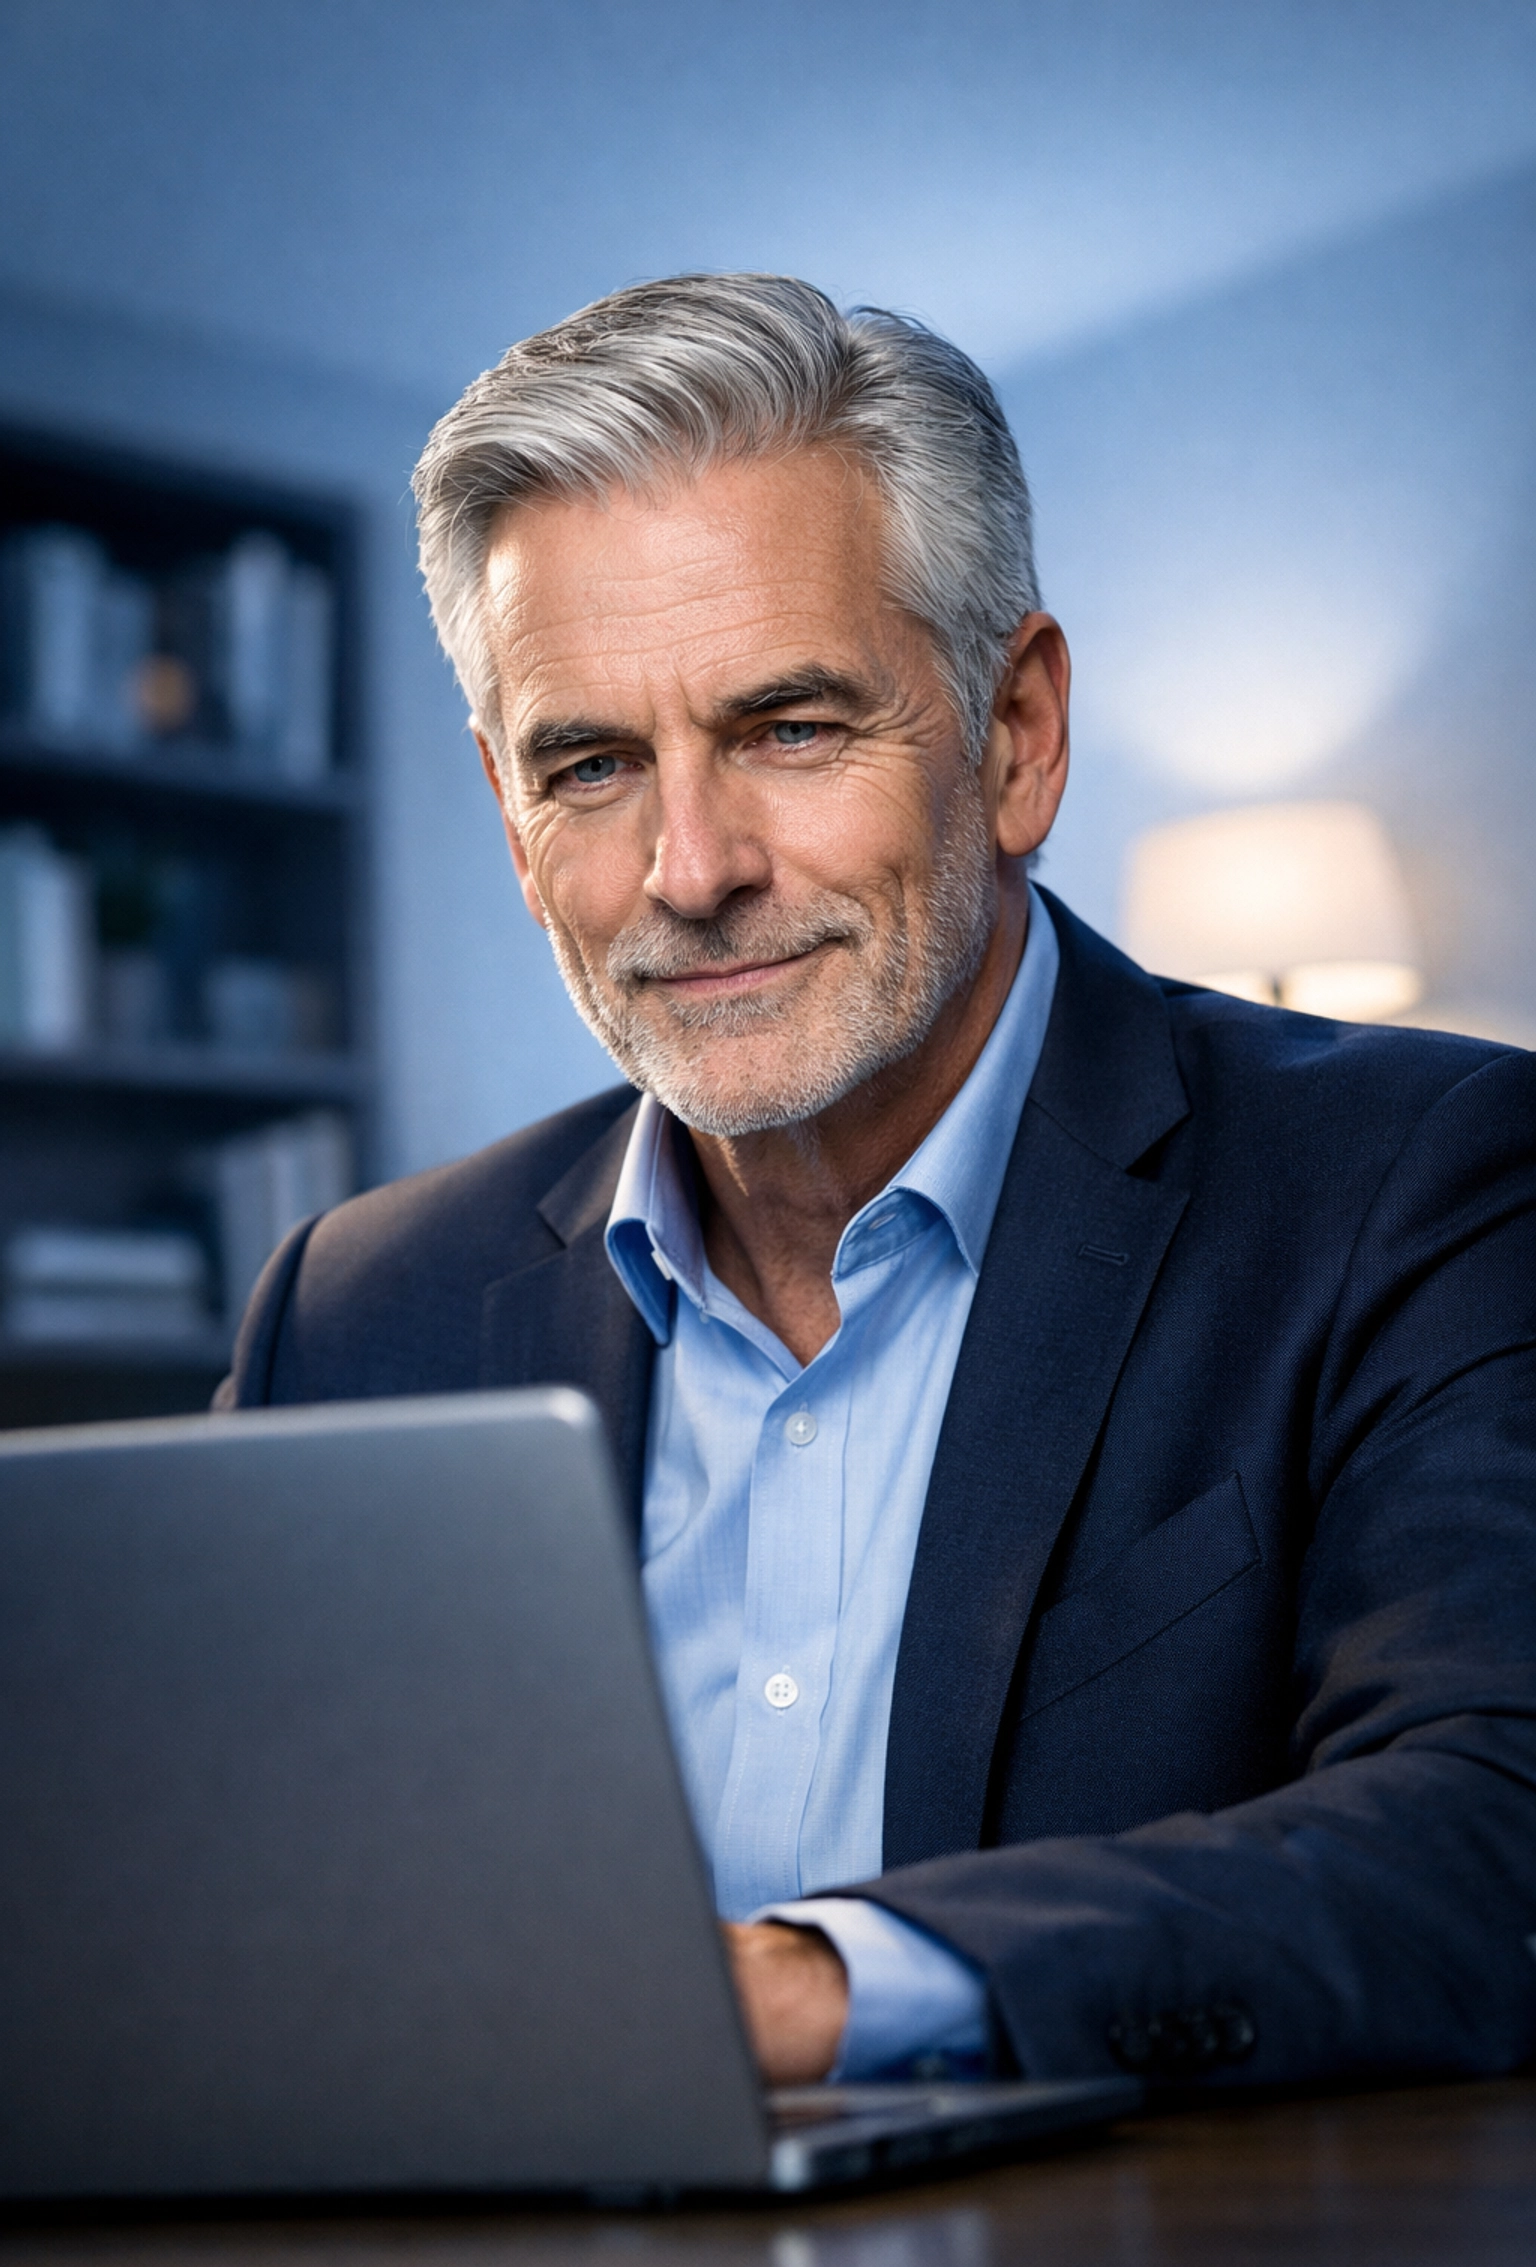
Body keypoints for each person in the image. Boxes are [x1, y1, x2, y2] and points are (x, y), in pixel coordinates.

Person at [216, 274, 1536, 2094]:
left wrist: (815, 1991)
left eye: (790, 728)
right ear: (515, 826)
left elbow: (1490, 1833)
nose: (690, 868)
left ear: (1014, 736)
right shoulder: (356, 1312)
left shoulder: (1422, 1184)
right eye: (590, 765)